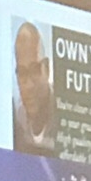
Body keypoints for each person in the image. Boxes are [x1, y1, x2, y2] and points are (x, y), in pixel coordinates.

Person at [12, 22, 58, 154]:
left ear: (47, 69)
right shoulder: (17, 121)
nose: (29, 85)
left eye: (34, 70)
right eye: (22, 73)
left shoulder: (65, 114)